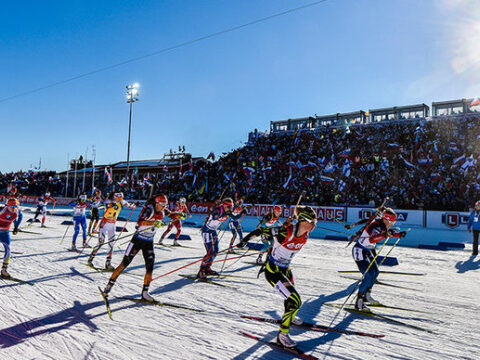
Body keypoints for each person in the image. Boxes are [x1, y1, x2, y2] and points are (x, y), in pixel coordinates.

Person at [261, 206, 317, 348]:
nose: (314, 225)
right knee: (295, 301)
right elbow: (265, 230)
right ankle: (282, 335)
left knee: (291, 300)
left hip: (286, 270)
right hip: (274, 271)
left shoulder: (305, 234)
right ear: (303, 220)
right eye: (312, 221)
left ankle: (289, 318)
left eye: (315, 222)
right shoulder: (285, 228)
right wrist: (245, 241)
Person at [102, 194, 169, 301]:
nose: (164, 206)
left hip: (148, 242)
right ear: (156, 203)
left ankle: (145, 293)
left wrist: (180, 215)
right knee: (124, 264)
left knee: (150, 267)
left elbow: (172, 215)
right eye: (162, 204)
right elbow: (140, 222)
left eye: (165, 204)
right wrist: (154, 222)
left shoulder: (163, 211)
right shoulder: (148, 210)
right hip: (137, 240)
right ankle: (109, 286)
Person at [352, 208, 407, 310]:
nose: (392, 224)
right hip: (360, 251)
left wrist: (398, 235)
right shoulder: (377, 225)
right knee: (368, 275)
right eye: (391, 222)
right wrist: (387, 234)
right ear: (386, 219)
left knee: (375, 272)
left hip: (368, 251)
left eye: (393, 222)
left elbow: (384, 235)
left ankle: (366, 295)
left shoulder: (382, 224)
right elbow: (372, 239)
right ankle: (359, 300)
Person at [88, 192, 136, 270]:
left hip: (112, 224)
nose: (119, 200)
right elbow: (106, 205)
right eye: (118, 198)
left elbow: (129, 205)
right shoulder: (109, 201)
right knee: (101, 242)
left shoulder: (121, 201)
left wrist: (133, 205)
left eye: (120, 198)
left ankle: (108, 263)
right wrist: (111, 204)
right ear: (115, 197)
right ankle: (90, 259)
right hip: (104, 223)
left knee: (111, 243)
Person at [197, 198, 233, 279]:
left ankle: (207, 267)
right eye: (229, 207)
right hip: (207, 231)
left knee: (216, 251)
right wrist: (225, 214)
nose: (230, 209)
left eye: (231, 207)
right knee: (210, 252)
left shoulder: (226, 210)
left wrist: (242, 213)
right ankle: (201, 270)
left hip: (213, 231)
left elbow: (235, 216)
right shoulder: (218, 210)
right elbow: (214, 217)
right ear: (224, 205)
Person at [0, 199, 23, 277]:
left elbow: (20, 217)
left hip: (5, 233)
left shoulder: (17, 211)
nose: (14, 208)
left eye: (16, 206)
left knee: (8, 249)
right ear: (7, 206)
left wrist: (16, 227)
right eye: (12, 206)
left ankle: (4, 270)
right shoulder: (2, 210)